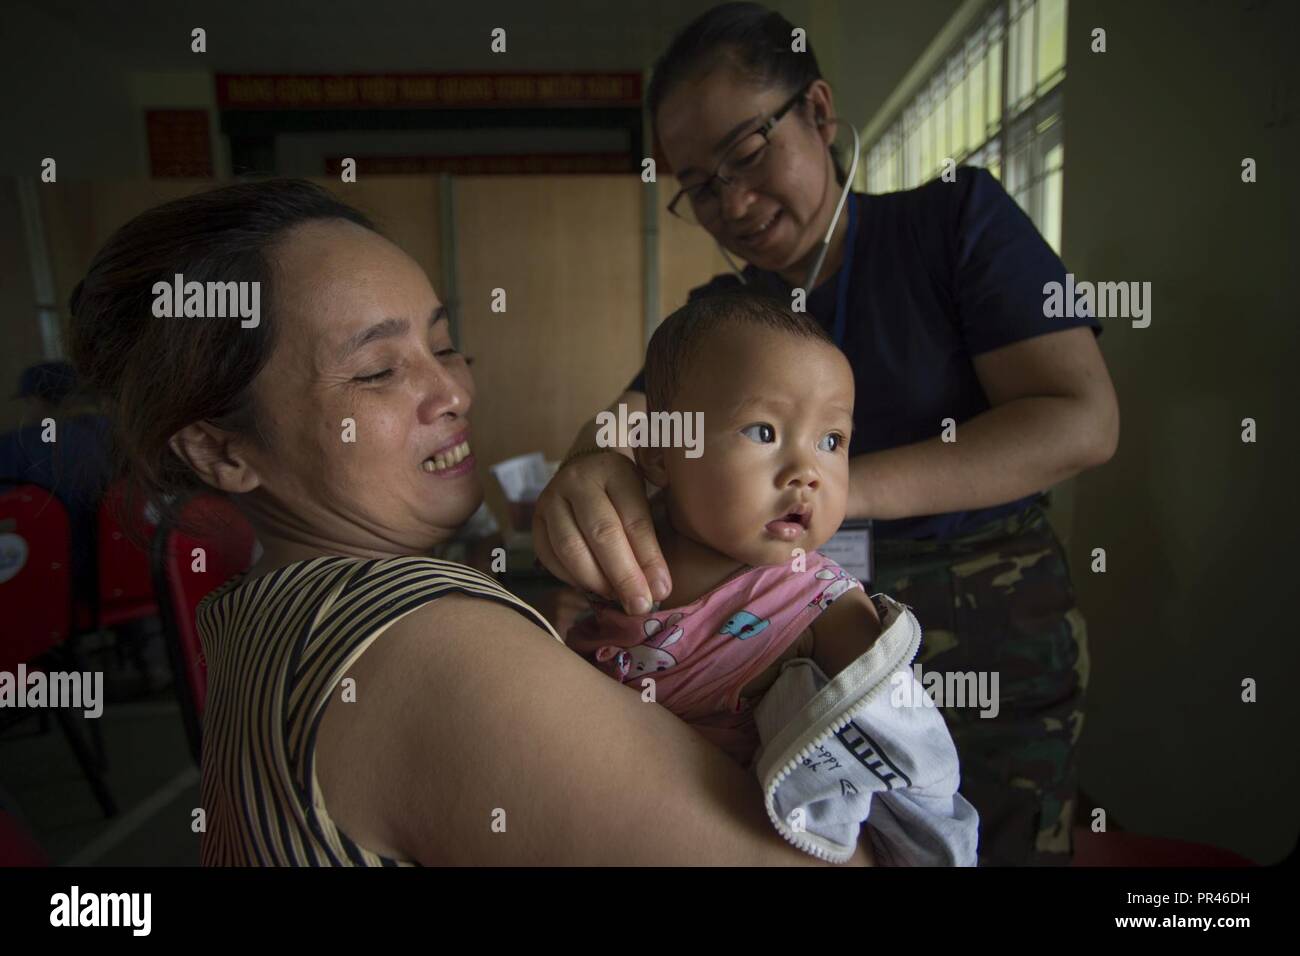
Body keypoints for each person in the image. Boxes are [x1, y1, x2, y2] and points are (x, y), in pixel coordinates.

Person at [66, 179, 872, 867]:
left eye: (444, 344)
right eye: (378, 370)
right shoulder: (420, 647)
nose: (451, 392)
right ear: (220, 449)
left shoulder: (264, 608)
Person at [534, 2, 1119, 866]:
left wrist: (822, 486)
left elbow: (1081, 419)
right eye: (699, 183)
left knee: (982, 840)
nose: (730, 199)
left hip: (984, 629)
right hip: (773, 661)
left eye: (745, 152)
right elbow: (628, 422)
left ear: (817, 111)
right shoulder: (724, 318)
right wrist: (590, 466)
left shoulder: (952, 224)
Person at [565, 291, 980, 865]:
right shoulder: (622, 554)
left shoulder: (822, 604)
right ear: (660, 451)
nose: (807, 472)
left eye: (831, 441)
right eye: (763, 432)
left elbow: (915, 762)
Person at [0, 361, 113, 605]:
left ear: (38, 400)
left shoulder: (17, 445)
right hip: (127, 575)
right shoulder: (119, 432)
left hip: (53, 586)